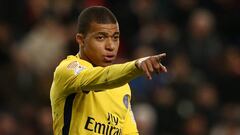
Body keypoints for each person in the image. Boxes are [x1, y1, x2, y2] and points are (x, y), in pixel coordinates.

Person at [50, 6, 167, 135]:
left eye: (115, 37)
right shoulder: (67, 70)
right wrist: (136, 65)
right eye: (101, 37)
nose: (110, 46)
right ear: (81, 40)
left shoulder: (122, 87)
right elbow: (101, 78)